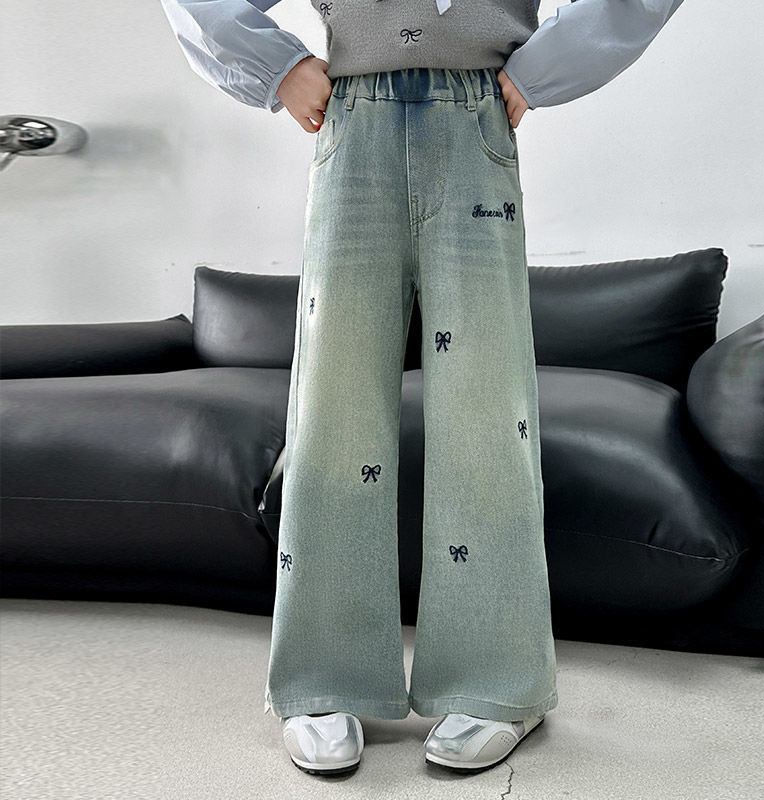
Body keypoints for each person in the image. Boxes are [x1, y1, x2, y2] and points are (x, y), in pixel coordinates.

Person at [159, 0, 685, 777]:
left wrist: (544, 69)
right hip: (353, 122)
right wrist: (276, 66)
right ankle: (321, 676)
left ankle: (500, 682)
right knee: (332, 410)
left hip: (475, 120)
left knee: (488, 411)